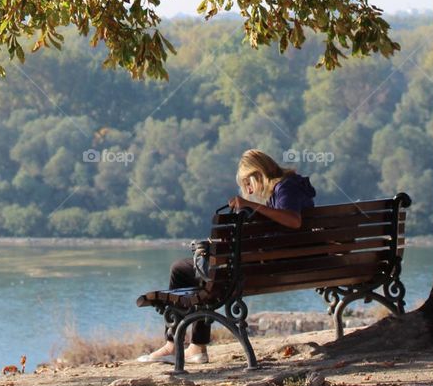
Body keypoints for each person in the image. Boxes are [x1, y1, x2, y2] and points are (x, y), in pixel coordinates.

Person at [136, 149, 317, 364]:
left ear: (257, 174)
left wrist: (251, 205)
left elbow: (293, 221)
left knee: (181, 269)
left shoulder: (285, 186)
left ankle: (174, 345)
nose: (249, 190)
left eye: (247, 183)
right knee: (206, 275)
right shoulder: (287, 188)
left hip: (269, 268)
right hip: (284, 265)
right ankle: (196, 347)